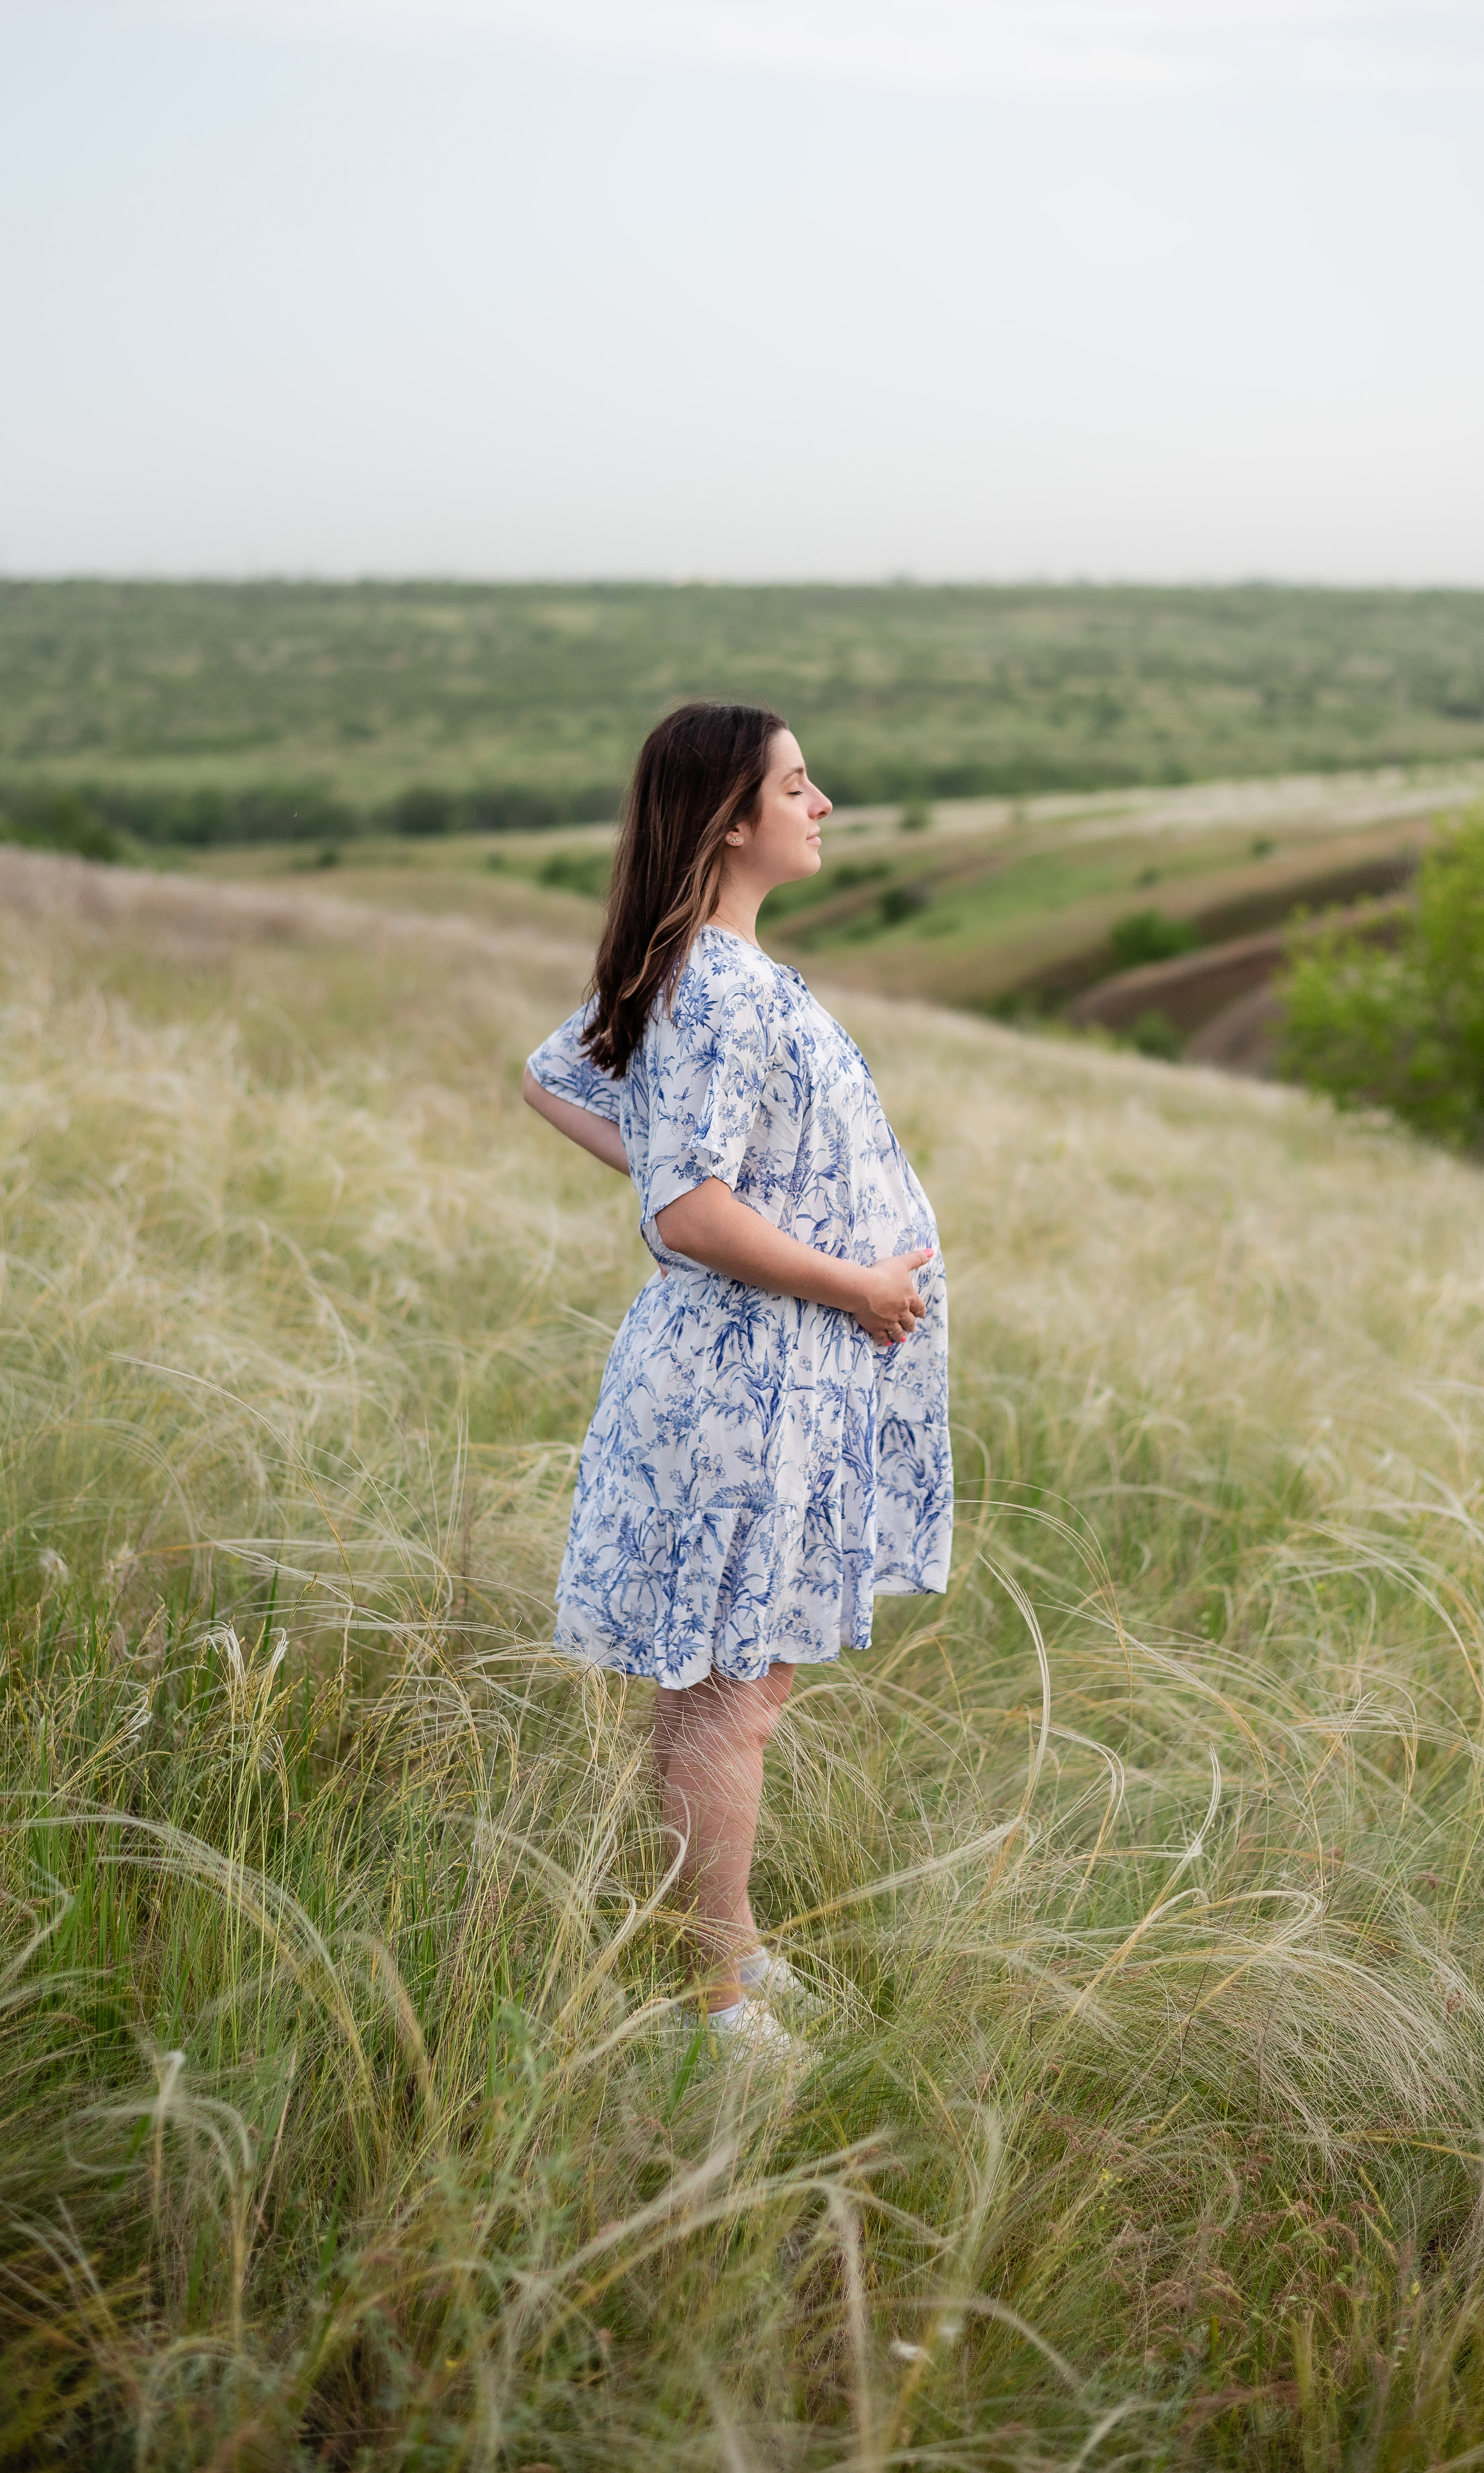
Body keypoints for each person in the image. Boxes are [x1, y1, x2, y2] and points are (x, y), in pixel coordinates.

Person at [522, 702, 952, 2057]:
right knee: (726, 1697)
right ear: (728, 819)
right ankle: (711, 2004)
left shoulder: (706, 973)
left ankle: (732, 1957)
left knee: (734, 1689)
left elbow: (555, 1081)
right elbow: (688, 1213)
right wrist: (852, 1280)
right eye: (800, 786)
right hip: (741, 1383)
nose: (824, 805)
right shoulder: (710, 981)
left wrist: (725, 1192)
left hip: (766, 1380)